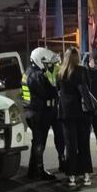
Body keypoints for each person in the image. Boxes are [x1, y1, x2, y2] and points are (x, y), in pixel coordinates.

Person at [57, 47, 93, 187]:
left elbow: (58, 91)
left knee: (70, 145)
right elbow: (86, 90)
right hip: (82, 113)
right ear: (77, 58)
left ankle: (71, 176)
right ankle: (86, 176)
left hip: (66, 113)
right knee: (84, 144)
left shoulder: (60, 73)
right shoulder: (82, 71)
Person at [22, 47, 60, 180]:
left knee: (37, 142)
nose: (47, 65)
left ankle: (33, 171)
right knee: (39, 143)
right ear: (39, 60)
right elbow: (47, 93)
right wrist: (54, 86)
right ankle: (38, 171)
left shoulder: (29, 72)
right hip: (37, 112)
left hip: (32, 111)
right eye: (46, 63)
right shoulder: (36, 75)